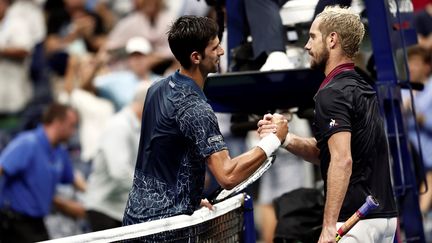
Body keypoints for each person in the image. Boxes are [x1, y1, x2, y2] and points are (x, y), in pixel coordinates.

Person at [122, 16, 288, 230]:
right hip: (167, 229)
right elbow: (227, 175)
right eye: (215, 48)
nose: (221, 52)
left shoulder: (156, 88)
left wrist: (187, 197)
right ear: (196, 57)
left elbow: (160, 153)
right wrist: (274, 140)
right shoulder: (196, 108)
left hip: (135, 222)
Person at [258, 6, 398, 243]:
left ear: (332, 39)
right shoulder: (361, 86)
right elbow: (329, 153)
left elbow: (342, 160)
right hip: (383, 219)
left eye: (312, 37)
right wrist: (285, 138)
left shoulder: (331, 93)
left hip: (354, 220)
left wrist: (328, 225)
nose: (306, 46)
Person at [0, 103, 85, 242]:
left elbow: (72, 178)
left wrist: (91, 194)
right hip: (14, 223)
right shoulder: (28, 143)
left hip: (37, 222)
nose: (74, 132)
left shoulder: (59, 151)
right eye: (71, 125)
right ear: (58, 123)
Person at [84, 83, 150, 231]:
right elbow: (119, 172)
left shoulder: (139, 127)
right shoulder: (119, 126)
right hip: (105, 210)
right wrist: (151, 192)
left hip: (121, 210)